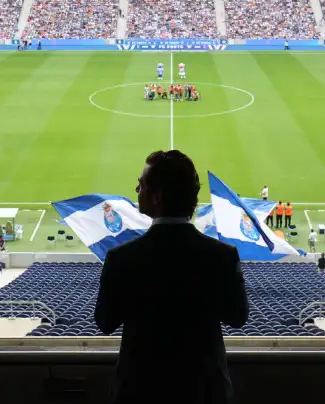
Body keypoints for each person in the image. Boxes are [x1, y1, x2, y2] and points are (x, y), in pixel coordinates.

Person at [95, 150, 248, 403]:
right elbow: (238, 318)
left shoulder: (122, 258)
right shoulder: (223, 256)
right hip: (205, 392)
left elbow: (104, 322)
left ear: (158, 196)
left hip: (139, 392)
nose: (136, 189)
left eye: (141, 184)